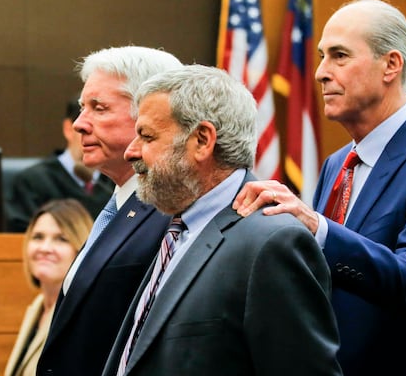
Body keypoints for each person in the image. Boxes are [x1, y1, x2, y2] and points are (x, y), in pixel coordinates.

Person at [233, 0, 406, 375]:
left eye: (339, 56)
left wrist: (318, 227)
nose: (320, 73)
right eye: (320, 56)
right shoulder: (336, 163)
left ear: (391, 65)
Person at [102, 64, 341, 375]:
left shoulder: (273, 243)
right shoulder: (178, 228)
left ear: (202, 140)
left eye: (147, 136)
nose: (131, 152)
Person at [36, 46, 183, 376]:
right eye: (81, 108)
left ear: (149, 116)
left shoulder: (171, 212)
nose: (78, 124)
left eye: (98, 109)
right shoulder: (119, 202)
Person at [4, 199, 92, 376]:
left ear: (81, 248)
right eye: (38, 237)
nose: (45, 248)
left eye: (61, 239)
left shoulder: (82, 315)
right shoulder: (38, 306)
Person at [7, 93, 115, 232]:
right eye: (86, 129)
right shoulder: (32, 182)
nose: (95, 136)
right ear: (68, 129)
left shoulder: (113, 184)